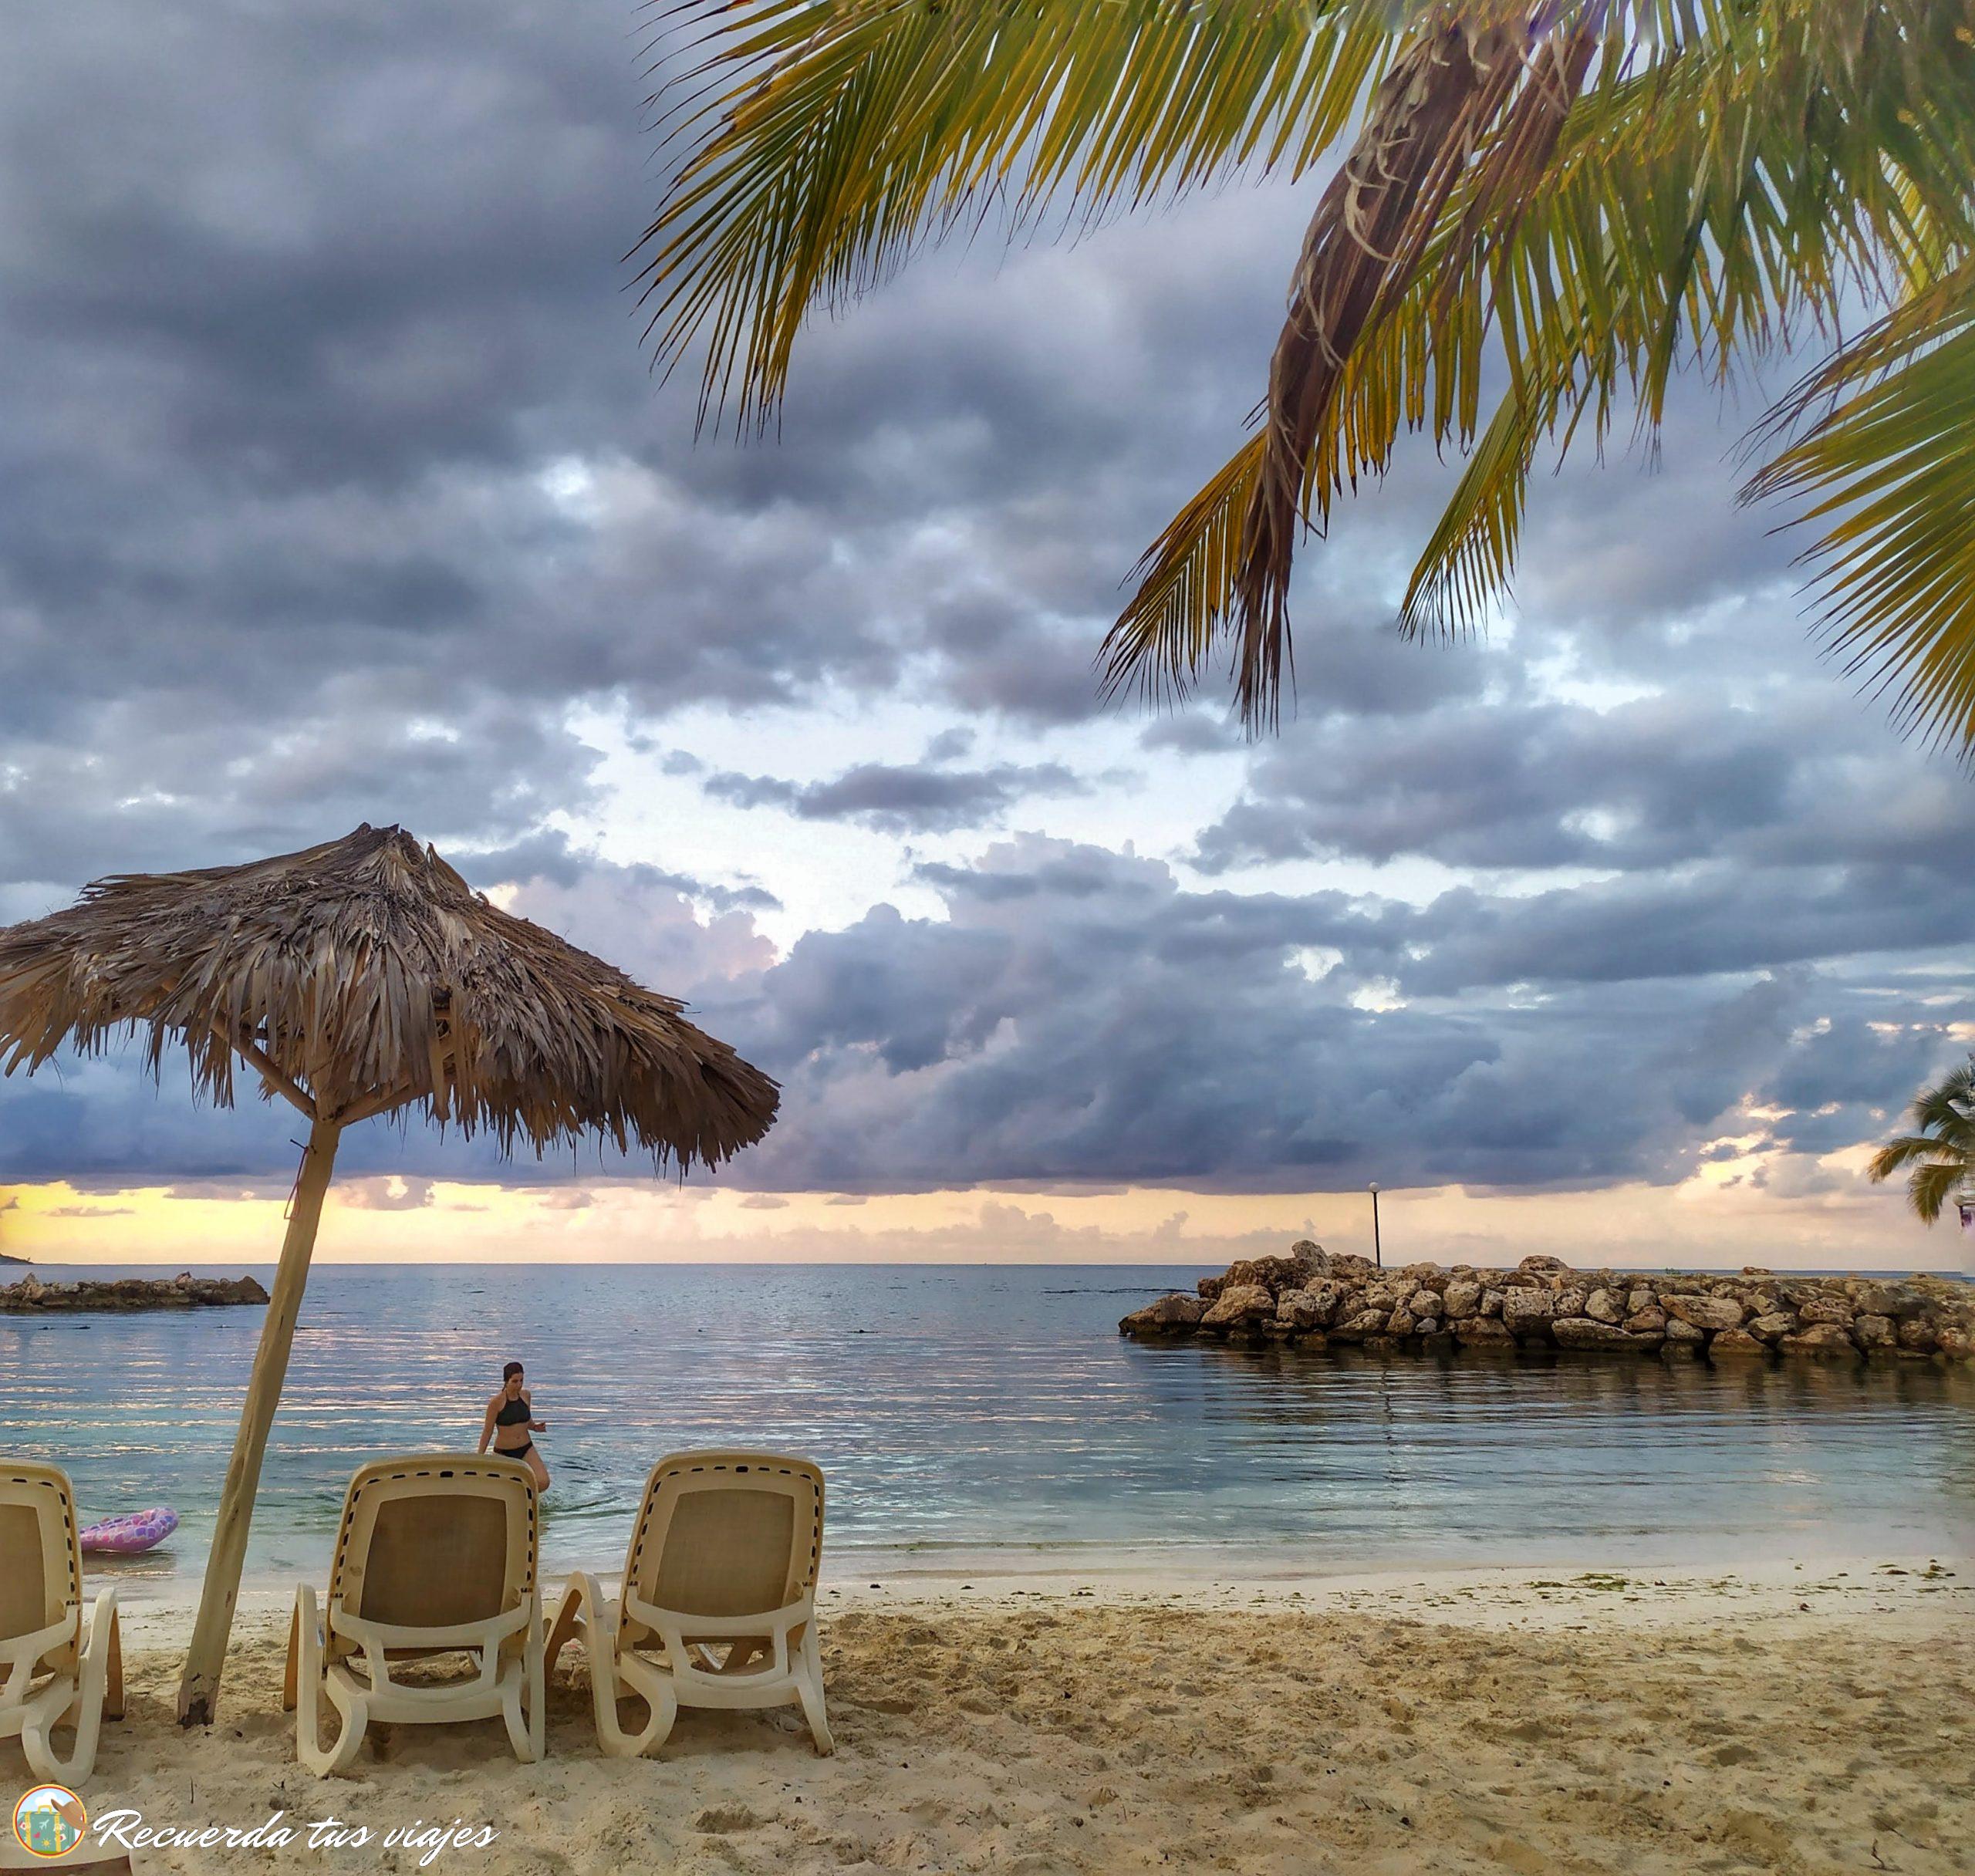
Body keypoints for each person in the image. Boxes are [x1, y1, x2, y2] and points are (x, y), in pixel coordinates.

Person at [478, 1359, 549, 1493]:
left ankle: (525, 1497)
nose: (519, 1385)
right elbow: (487, 1431)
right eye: (515, 1381)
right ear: (506, 1381)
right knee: (497, 1489)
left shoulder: (526, 1395)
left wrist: (534, 1427)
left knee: (543, 1482)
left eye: (521, 1380)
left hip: (526, 1448)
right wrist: (479, 1457)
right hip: (504, 1452)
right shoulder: (496, 1402)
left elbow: (525, 1420)